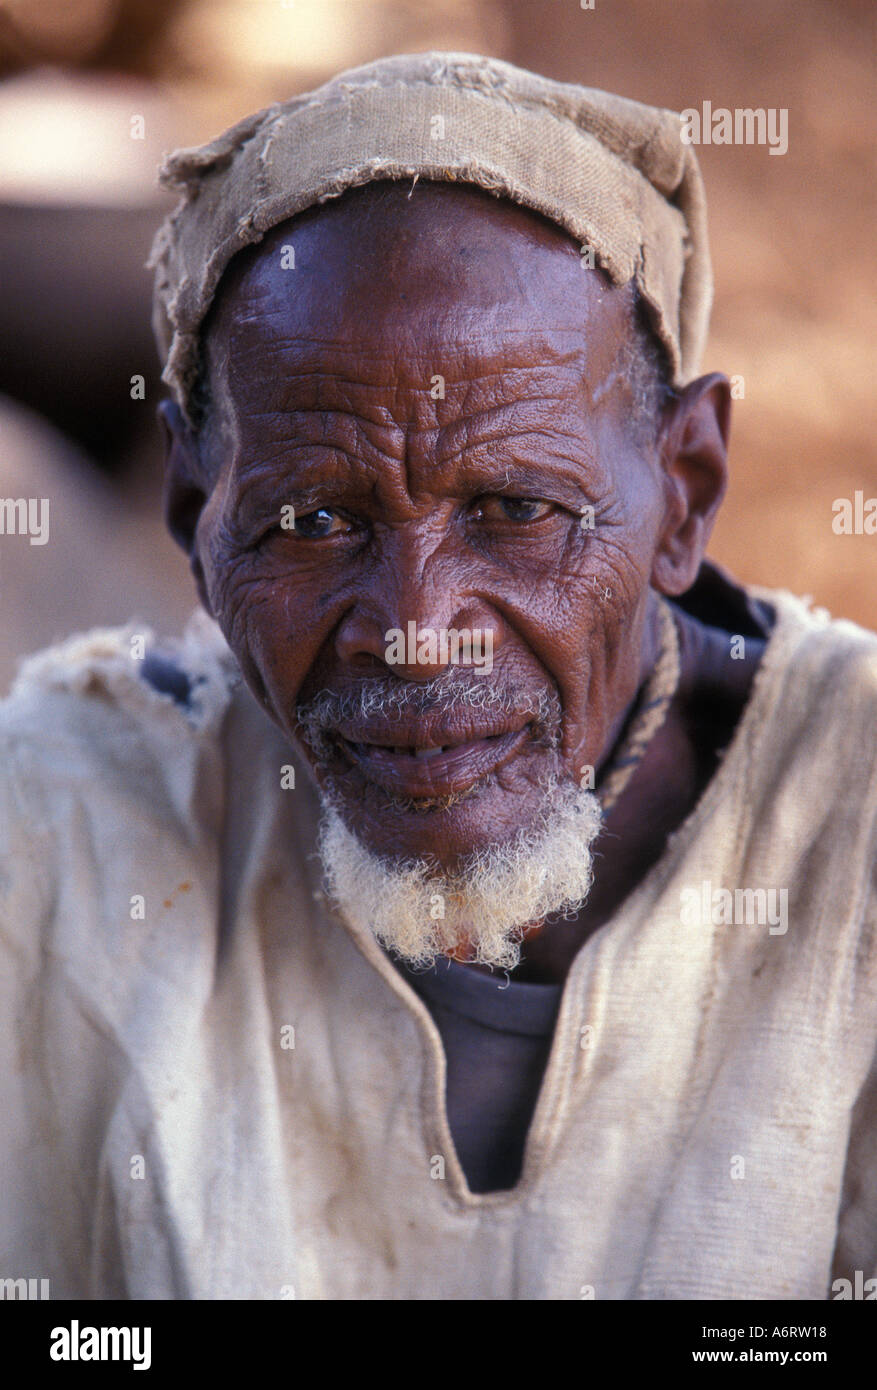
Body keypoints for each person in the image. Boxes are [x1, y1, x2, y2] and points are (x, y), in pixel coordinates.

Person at [2, 52, 875, 1300]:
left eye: (517, 510)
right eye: (311, 520)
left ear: (682, 495)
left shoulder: (852, 839)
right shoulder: (58, 837)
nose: (414, 629)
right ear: (196, 515)